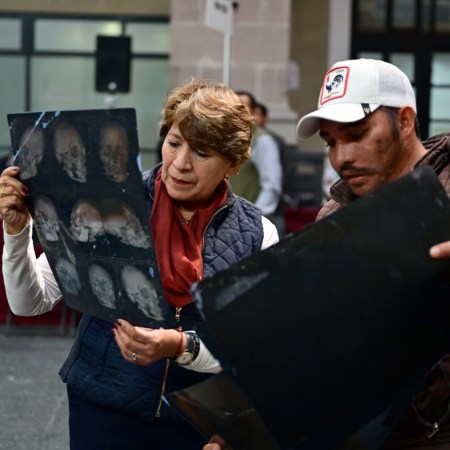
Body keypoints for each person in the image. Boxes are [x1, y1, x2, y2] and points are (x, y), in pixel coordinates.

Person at [0, 79, 279, 450]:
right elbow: (28, 303)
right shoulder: (107, 202)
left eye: (202, 152)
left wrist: (178, 347)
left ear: (233, 163)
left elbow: (250, 352)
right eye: (174, 143)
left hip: (196, 420)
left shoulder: (257, 234)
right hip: (103, 407)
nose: (181, 164)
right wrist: (17, 232)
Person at [202, 58, 450, 449]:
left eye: (357, 134)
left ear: (404, 121)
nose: (341, 157)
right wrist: (241, 431)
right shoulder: (333, 215)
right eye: (331, 142)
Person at [230, 90, 282, 219]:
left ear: (253, 112)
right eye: (232, 107)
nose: (237, 112)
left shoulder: (262, 140)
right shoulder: (229, 138)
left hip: (248, 221)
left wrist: (254, 217)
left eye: (242, 107)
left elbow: (271, 185)